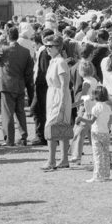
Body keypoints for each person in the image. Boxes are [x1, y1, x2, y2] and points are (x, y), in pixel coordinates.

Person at [0, 27, 34, 146]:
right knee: (20, 112)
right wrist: (25, 82)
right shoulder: (25, 51)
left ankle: (9, 139)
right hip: (20, 84)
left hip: (7, 85)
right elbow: (29, 70)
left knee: (8, 114)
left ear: (7, 36)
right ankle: (23, 137)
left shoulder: (4, 49)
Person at [42, 36, 73, 171]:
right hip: (53, 94)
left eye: (50, 46)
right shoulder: (53, 61)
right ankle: (63, 159)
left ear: (58, 47)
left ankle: (52, 160)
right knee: (60, 127)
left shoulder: (60, 62)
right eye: (46, 46)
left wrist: (62, 104)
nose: (47, 48)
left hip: (59, 96)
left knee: (52, 126)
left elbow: (64, 86)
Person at [85, 85, 112, 182]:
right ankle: (106, 174)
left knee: (97, 154)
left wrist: (81, 119)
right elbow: (111, 119)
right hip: (105, 132)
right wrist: (108, 127)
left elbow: (91, 122)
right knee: (105, 154)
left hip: (96, 132)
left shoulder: (95, 108)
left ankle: (97, 175)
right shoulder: (108, 107)